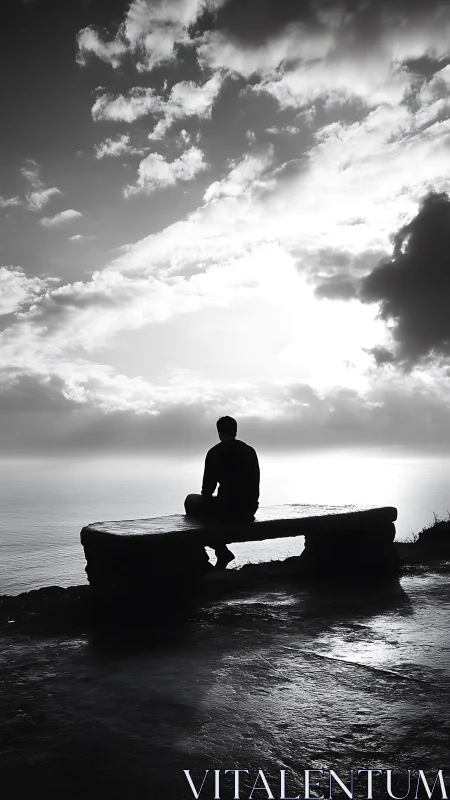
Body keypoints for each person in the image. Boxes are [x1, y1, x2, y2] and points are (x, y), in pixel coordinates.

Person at [184, 416, 260, 569]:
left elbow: (207, 490)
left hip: (226, 510)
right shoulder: (250, 451)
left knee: (190, 501)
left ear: (219, 432)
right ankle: (220, 551)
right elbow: (255, 482)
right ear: (236, 431)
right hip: (248, 508)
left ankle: (218, 550)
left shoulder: (215, 452)